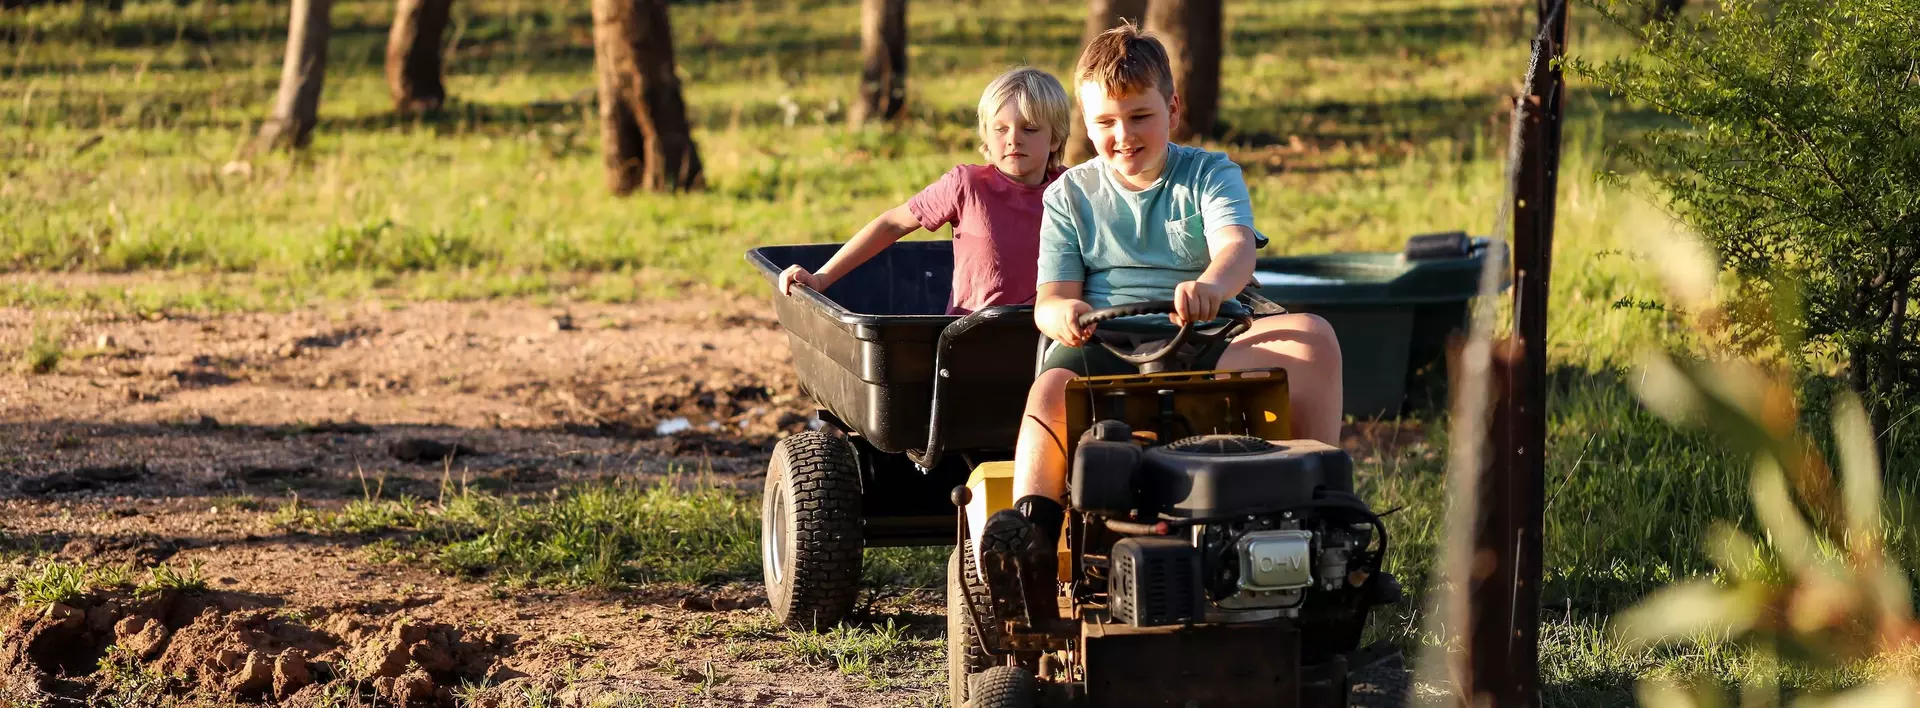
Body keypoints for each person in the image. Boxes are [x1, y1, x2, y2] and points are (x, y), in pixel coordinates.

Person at [976, 24, 1345, 568]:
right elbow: (1050, 300)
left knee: (1313, 339)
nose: (1122, 135)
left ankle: (1322, 511)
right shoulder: (1069, 195)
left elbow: (1237, 248)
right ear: (1086, 122)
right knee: (1050, 392)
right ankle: (1031, 533)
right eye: (1105, 122)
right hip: (1105, 341)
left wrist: (1212, 287)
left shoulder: (1210, 173)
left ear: (1172, 109)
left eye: (1139, 117)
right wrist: (1063, 316)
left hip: (1206, 333)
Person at [778, 67, 1073, 315]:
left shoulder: (1072, 191)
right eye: (1000, 129)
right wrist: (819, 279)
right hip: (971, 339)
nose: (1013, 140)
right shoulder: (968, 186)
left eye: (1030, 129)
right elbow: (892, 223)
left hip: (1046, 339)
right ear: (985, 133)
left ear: (1055, 138)